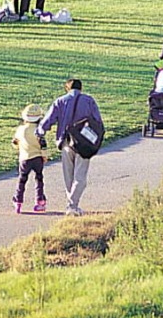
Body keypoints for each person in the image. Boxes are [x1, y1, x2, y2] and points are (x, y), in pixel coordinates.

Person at [36, 79, 103, 216]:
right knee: (80, 177)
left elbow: (48, 120)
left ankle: (71, 205)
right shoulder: (89, 101)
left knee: (68, 176)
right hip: (84, 143)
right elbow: (98, 122)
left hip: (66, 141)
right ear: (81, 88)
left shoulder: (60, 101)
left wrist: (40, 132)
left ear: (67, 88)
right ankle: (72, 205)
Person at [11, 103, 48, 214]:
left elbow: (15, 142)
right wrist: (44, 155)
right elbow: (43, 144)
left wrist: (18, 146)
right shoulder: (38, 130)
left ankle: (18, 201)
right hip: (37, 157)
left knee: (22, 179)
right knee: (39, 179)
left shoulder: (21, 129)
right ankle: (40, 201)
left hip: (24, 158)